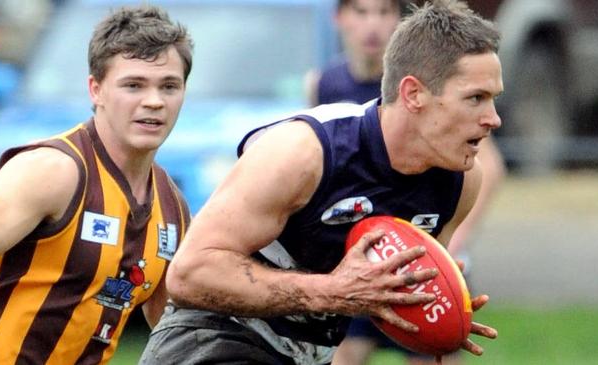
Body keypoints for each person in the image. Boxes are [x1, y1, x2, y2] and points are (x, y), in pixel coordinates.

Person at [140, 1, 501, 364]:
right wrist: (330, 291)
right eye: (475, 98)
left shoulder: (460, 184)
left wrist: (440, 319)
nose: (494, 119)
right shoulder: (304, 152)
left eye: (493, 99)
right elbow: (189, 274)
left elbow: (387, 296)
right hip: (214, 343)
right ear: (413, 94)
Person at [0, 5, 193, 364]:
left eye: (169, 86)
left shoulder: (172, 207)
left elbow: (174, 327)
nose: (154, 101)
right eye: (133, 85)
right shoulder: (56, 171)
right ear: (95, 89)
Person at [304, 1, 507, 365]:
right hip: (360, 252)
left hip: (417, 236)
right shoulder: (323, 84)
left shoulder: (431, 77)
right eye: (362, 12)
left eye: (383, 13)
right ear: (340, 18)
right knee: (346, 351)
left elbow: (488, 165)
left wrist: (454, 241)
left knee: (438, 342)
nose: (373, 25)